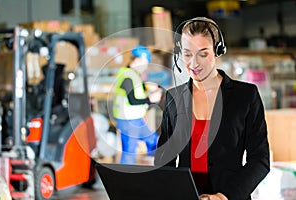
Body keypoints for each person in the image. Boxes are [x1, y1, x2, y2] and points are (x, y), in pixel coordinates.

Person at [154, 17, 270, 200]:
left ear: (217, 51)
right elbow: (164, 161)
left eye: (203, 53)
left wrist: (224, 197)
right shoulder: (173, 98)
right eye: (187, 54)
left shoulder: (245, 96)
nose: (193, 64)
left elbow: (260, 160)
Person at [113, 45, 162, 164]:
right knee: (129, 153)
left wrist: (147, 86)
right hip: (128, 121)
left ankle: (156, 167)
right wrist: (150, 100)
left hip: (135, 119)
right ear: (137, 60)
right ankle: (124, 180)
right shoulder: (128, 76)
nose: (145, 67)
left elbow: (133, 90)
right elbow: (132, 100)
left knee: (154, 142)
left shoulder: (130, 73)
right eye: (144, 63)